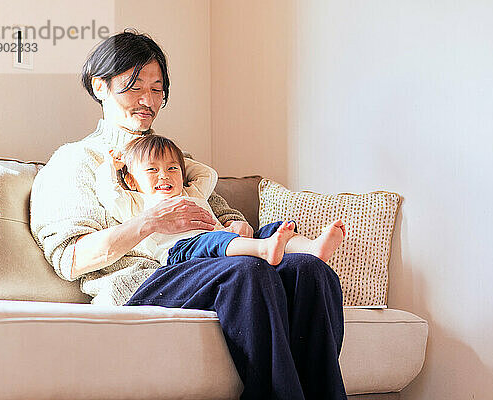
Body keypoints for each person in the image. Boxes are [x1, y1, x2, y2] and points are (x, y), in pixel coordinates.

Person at [30, 29, 348, 400]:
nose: (148, 100)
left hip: (198, 264)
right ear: (100, 86)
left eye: (157, 88)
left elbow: (221, 215)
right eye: (134, 86)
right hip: (139, 282)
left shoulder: (172, 159)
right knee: (247, 271)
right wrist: (150, 221)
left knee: (311, 271)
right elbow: (70, 259)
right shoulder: (74, 161)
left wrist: (237, 225)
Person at [95, 134, 346, 267]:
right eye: (151, 170)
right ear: (130, 179)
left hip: (225, 240)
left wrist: (180, 161)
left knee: (272, 229)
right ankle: (265, 250)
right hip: (182, 254)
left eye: (172, 169)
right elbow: (108, 192)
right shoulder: (137, 203)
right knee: (217, 239)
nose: (164, 175)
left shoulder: (191, 192)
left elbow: (208, 174)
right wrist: (113, 164)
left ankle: (311, 249)